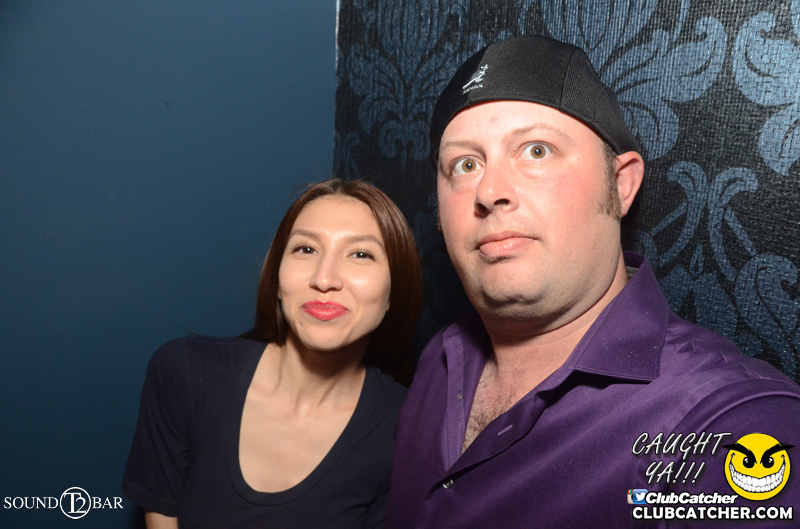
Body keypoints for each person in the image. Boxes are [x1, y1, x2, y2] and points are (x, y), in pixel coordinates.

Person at [386, 36, 800, 528]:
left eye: (536, 150)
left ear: (620, 185)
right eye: (466, 164)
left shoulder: (730, 426)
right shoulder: (440, 357)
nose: (490, 191)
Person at [123, 179, 422, 529]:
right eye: (306, 249)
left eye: (360, 254)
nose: (324, 278)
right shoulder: (184, 374)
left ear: (393, 292)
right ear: (278, 280)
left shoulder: (409, 431)